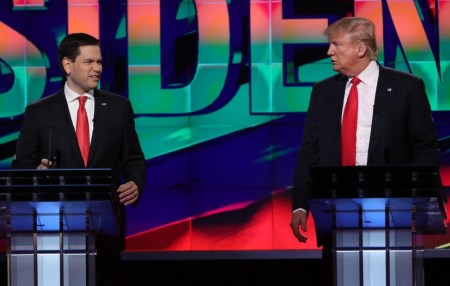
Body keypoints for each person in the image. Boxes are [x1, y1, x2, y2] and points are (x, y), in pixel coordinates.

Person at [289, 17, 439, 285]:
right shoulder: (323, 92)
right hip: (337, 212)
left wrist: (420, 199)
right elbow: (310, 151)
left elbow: (424, 148)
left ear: (360, 49)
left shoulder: (407, 88)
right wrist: (300, 204)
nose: (329, 52)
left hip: (392, 213)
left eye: (336, 44)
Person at [12, 32, 147, 286]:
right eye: (89, 62)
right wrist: (36, 176)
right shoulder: (39, 112)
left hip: (105, 227)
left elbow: (134, 159)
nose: (97, 68)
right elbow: (22, 169)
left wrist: (135, 183)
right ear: (67, 65)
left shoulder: (119, 107)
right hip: (55, 228)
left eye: (100, 62)